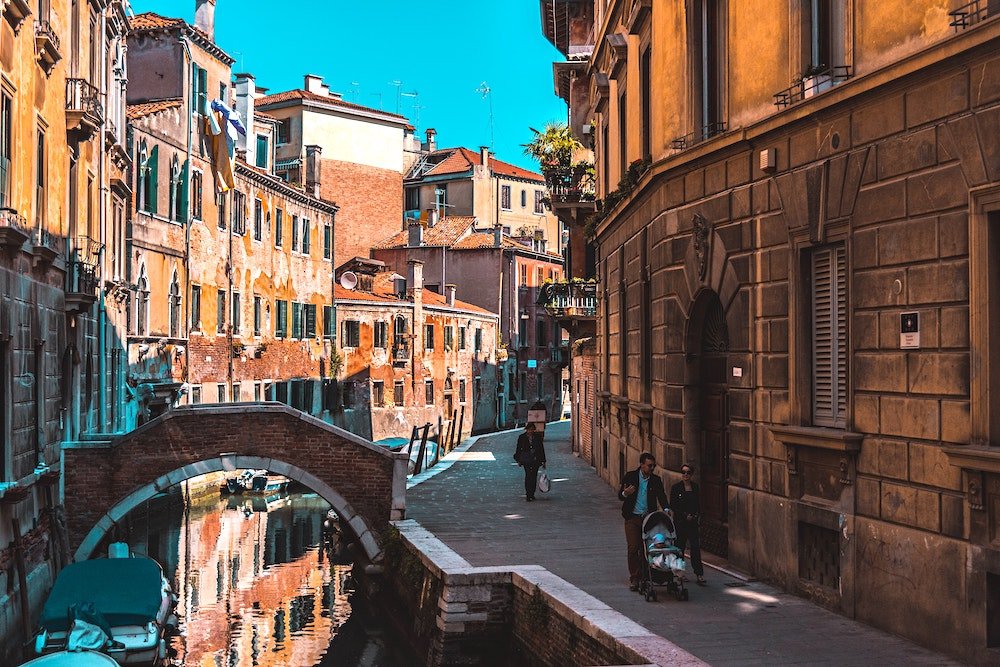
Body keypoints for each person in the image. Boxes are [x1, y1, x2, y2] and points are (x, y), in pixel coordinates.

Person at [618, 452, 669, 592]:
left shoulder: (655, 480)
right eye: (649, 465)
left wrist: (666, 508)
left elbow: (661, 495)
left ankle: (646, 575)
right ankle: (635, 577)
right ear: (641, 465)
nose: (652, 468)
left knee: (647, 548)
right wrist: (625, 493)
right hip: (632, 517)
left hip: (648, 519)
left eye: (653, 466)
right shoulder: (630, 476)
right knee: (633, 547)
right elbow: (620, 496)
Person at [670, 464, 706, 585]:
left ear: (691, 474)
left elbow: (699, 503)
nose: (685, 475)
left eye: (688, 472)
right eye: (683, 472)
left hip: (693, 523)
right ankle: (680, 573)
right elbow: (673, 505)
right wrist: (685, 515)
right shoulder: (676, 488)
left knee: (695, 548)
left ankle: (699, 574)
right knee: (680, 548)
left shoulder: (695, 487)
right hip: (681, 522)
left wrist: (696, 515)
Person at [513, 423, 546, 501]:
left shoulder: (537, 437)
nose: (530, 431)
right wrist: (518, 460)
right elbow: (518, 449)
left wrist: (544, 461)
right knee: (528, 476)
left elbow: (541, 449)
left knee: (534, 476)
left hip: (536, 460)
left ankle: (532, 493)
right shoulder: (522, 437)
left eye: (532, 429)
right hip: (526, 460)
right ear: (526, 429)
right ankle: (528, 494)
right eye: (529, 429)